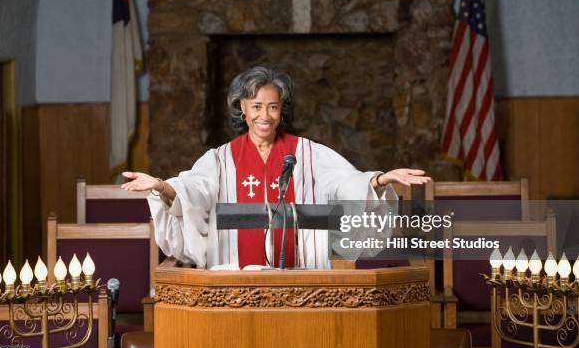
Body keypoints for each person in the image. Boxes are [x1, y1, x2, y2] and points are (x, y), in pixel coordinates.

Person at [121, 66, 430, 269]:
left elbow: (343, 183)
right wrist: (162, 186)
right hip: (236, 278)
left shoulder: (308, 154)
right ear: (242, 108)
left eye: (273, 107)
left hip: (301, 276)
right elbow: (195, 191)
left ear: (282, 110)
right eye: (256, 106)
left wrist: (377, 180)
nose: (264, 116)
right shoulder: (220, 159)